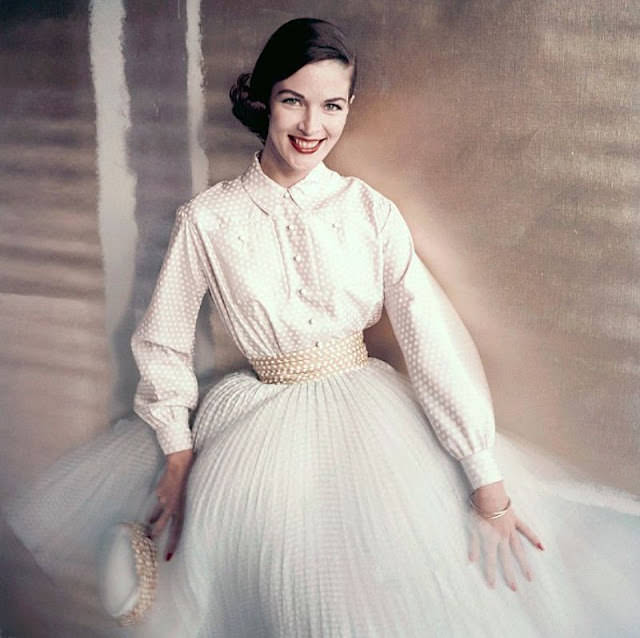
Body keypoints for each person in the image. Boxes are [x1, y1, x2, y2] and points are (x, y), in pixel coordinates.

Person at [3, 17, 640, 638]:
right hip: (256, 429)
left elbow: (430, 338)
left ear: (349, 105)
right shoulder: (209, 219)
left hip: (373, 422)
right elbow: (162, 339)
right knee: (278, 587)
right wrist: (176, 450)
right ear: (263, 98)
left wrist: (485, 482)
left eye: (332, 106)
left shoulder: (368, 210)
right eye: (293, 101)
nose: (313, 126)